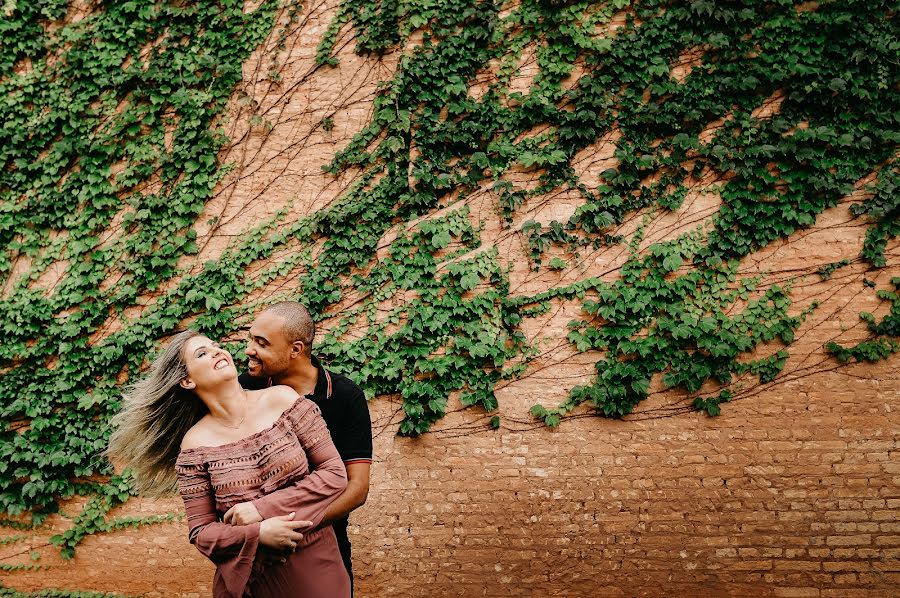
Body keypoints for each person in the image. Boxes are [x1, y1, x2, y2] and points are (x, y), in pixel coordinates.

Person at [107, 329, 351, 598]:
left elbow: (334, 474)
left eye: (216, 345)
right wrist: (257, 534)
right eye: (202, 353)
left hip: (316, 569)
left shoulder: (283, 400)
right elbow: (201, 532)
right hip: (252, 583)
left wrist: (260, 509)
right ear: (187, 380)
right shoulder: (194, 445)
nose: (216, 351)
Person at [236, 301, 372, 592]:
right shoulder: (244, 389)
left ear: (296, 349)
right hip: (256, 553)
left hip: (325, 549)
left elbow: (357, 488)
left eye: (261, 342)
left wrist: (296, 528)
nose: (249, 349)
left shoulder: (345, 396)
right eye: (250, 338)